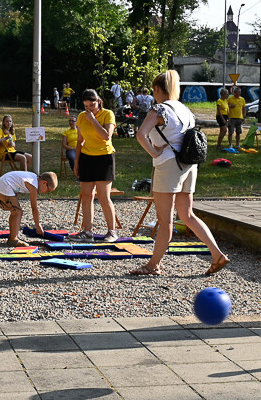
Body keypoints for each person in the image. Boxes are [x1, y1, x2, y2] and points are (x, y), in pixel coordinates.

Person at [130, 70, 229, 276]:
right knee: (187, 215)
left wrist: (154, 152)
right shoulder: (184, 109)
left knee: (165, 220)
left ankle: (153, 265)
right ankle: (217, 254)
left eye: (153, 90)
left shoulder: (159, 109)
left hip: (168, 165)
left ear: (157, 89)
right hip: (188, 164)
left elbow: (141, 134)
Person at [72, 88, 119, 241]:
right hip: (87, 157)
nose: (89, 109)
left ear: (98, 102)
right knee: (86, 196)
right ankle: (87, 231)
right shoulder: (81, 116)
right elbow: (79, 141)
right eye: (86, 106)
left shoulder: (107, 114)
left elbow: (106, 136)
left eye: (91, 105)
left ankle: (112, 231)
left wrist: (93, 120)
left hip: (104, 158)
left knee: (104, 196)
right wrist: (76, 163)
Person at [0, 170, 58, 246]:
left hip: (1, 185)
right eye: (48, 190)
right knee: (18, 212)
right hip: (4, 186)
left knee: (15, 212)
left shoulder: (33, 178)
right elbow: (34, 208)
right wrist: (38, 225)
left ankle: (12, 236)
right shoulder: (33, 186)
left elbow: (17, 181)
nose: (47, 192)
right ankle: (13, 239)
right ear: (44, 183)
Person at [226, 86, 247, 151]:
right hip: (232, 118)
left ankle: (237, 144)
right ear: (234, 93)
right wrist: (230, 106)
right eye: (238, 92)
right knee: (231, 132)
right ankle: (230, 144)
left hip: (239, 118)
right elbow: (225, 106)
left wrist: (244, 116)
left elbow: (244, 108)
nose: (239, 94)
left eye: (240, 92)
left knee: (238, 132)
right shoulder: (230, 99)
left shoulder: (242, 99)